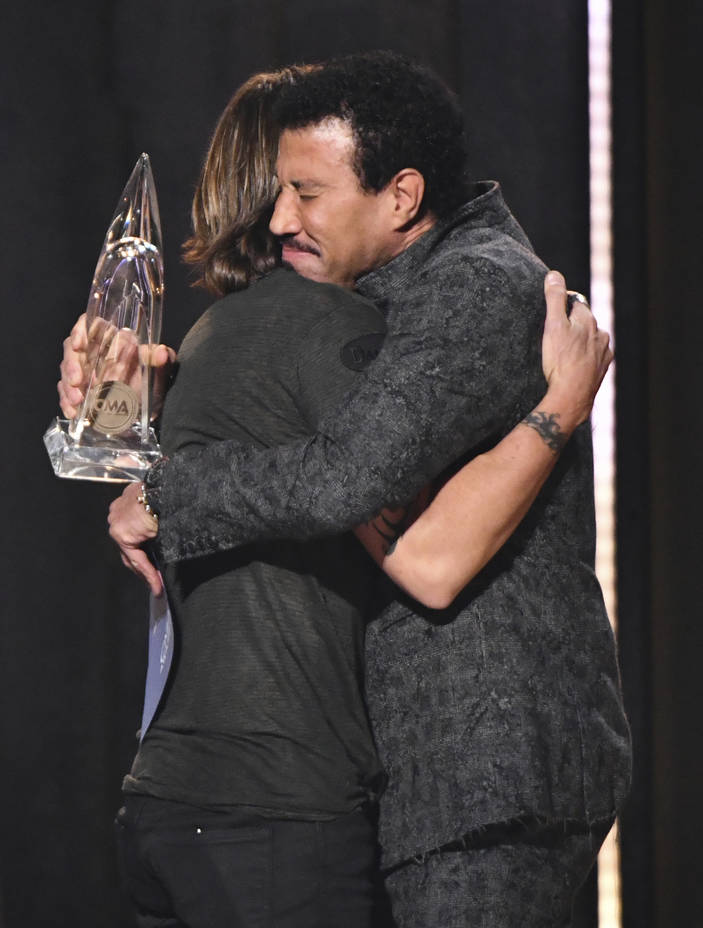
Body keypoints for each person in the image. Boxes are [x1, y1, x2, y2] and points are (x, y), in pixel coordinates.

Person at [62, 56, 624, 928]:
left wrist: (175, 487)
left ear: (399, 197)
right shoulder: (374, 301)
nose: (284, 217)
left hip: (480, 766)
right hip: (430, 776)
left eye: (307, 193)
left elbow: (354, 484)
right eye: (279, 191)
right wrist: (147, 408)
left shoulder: (471, 285)